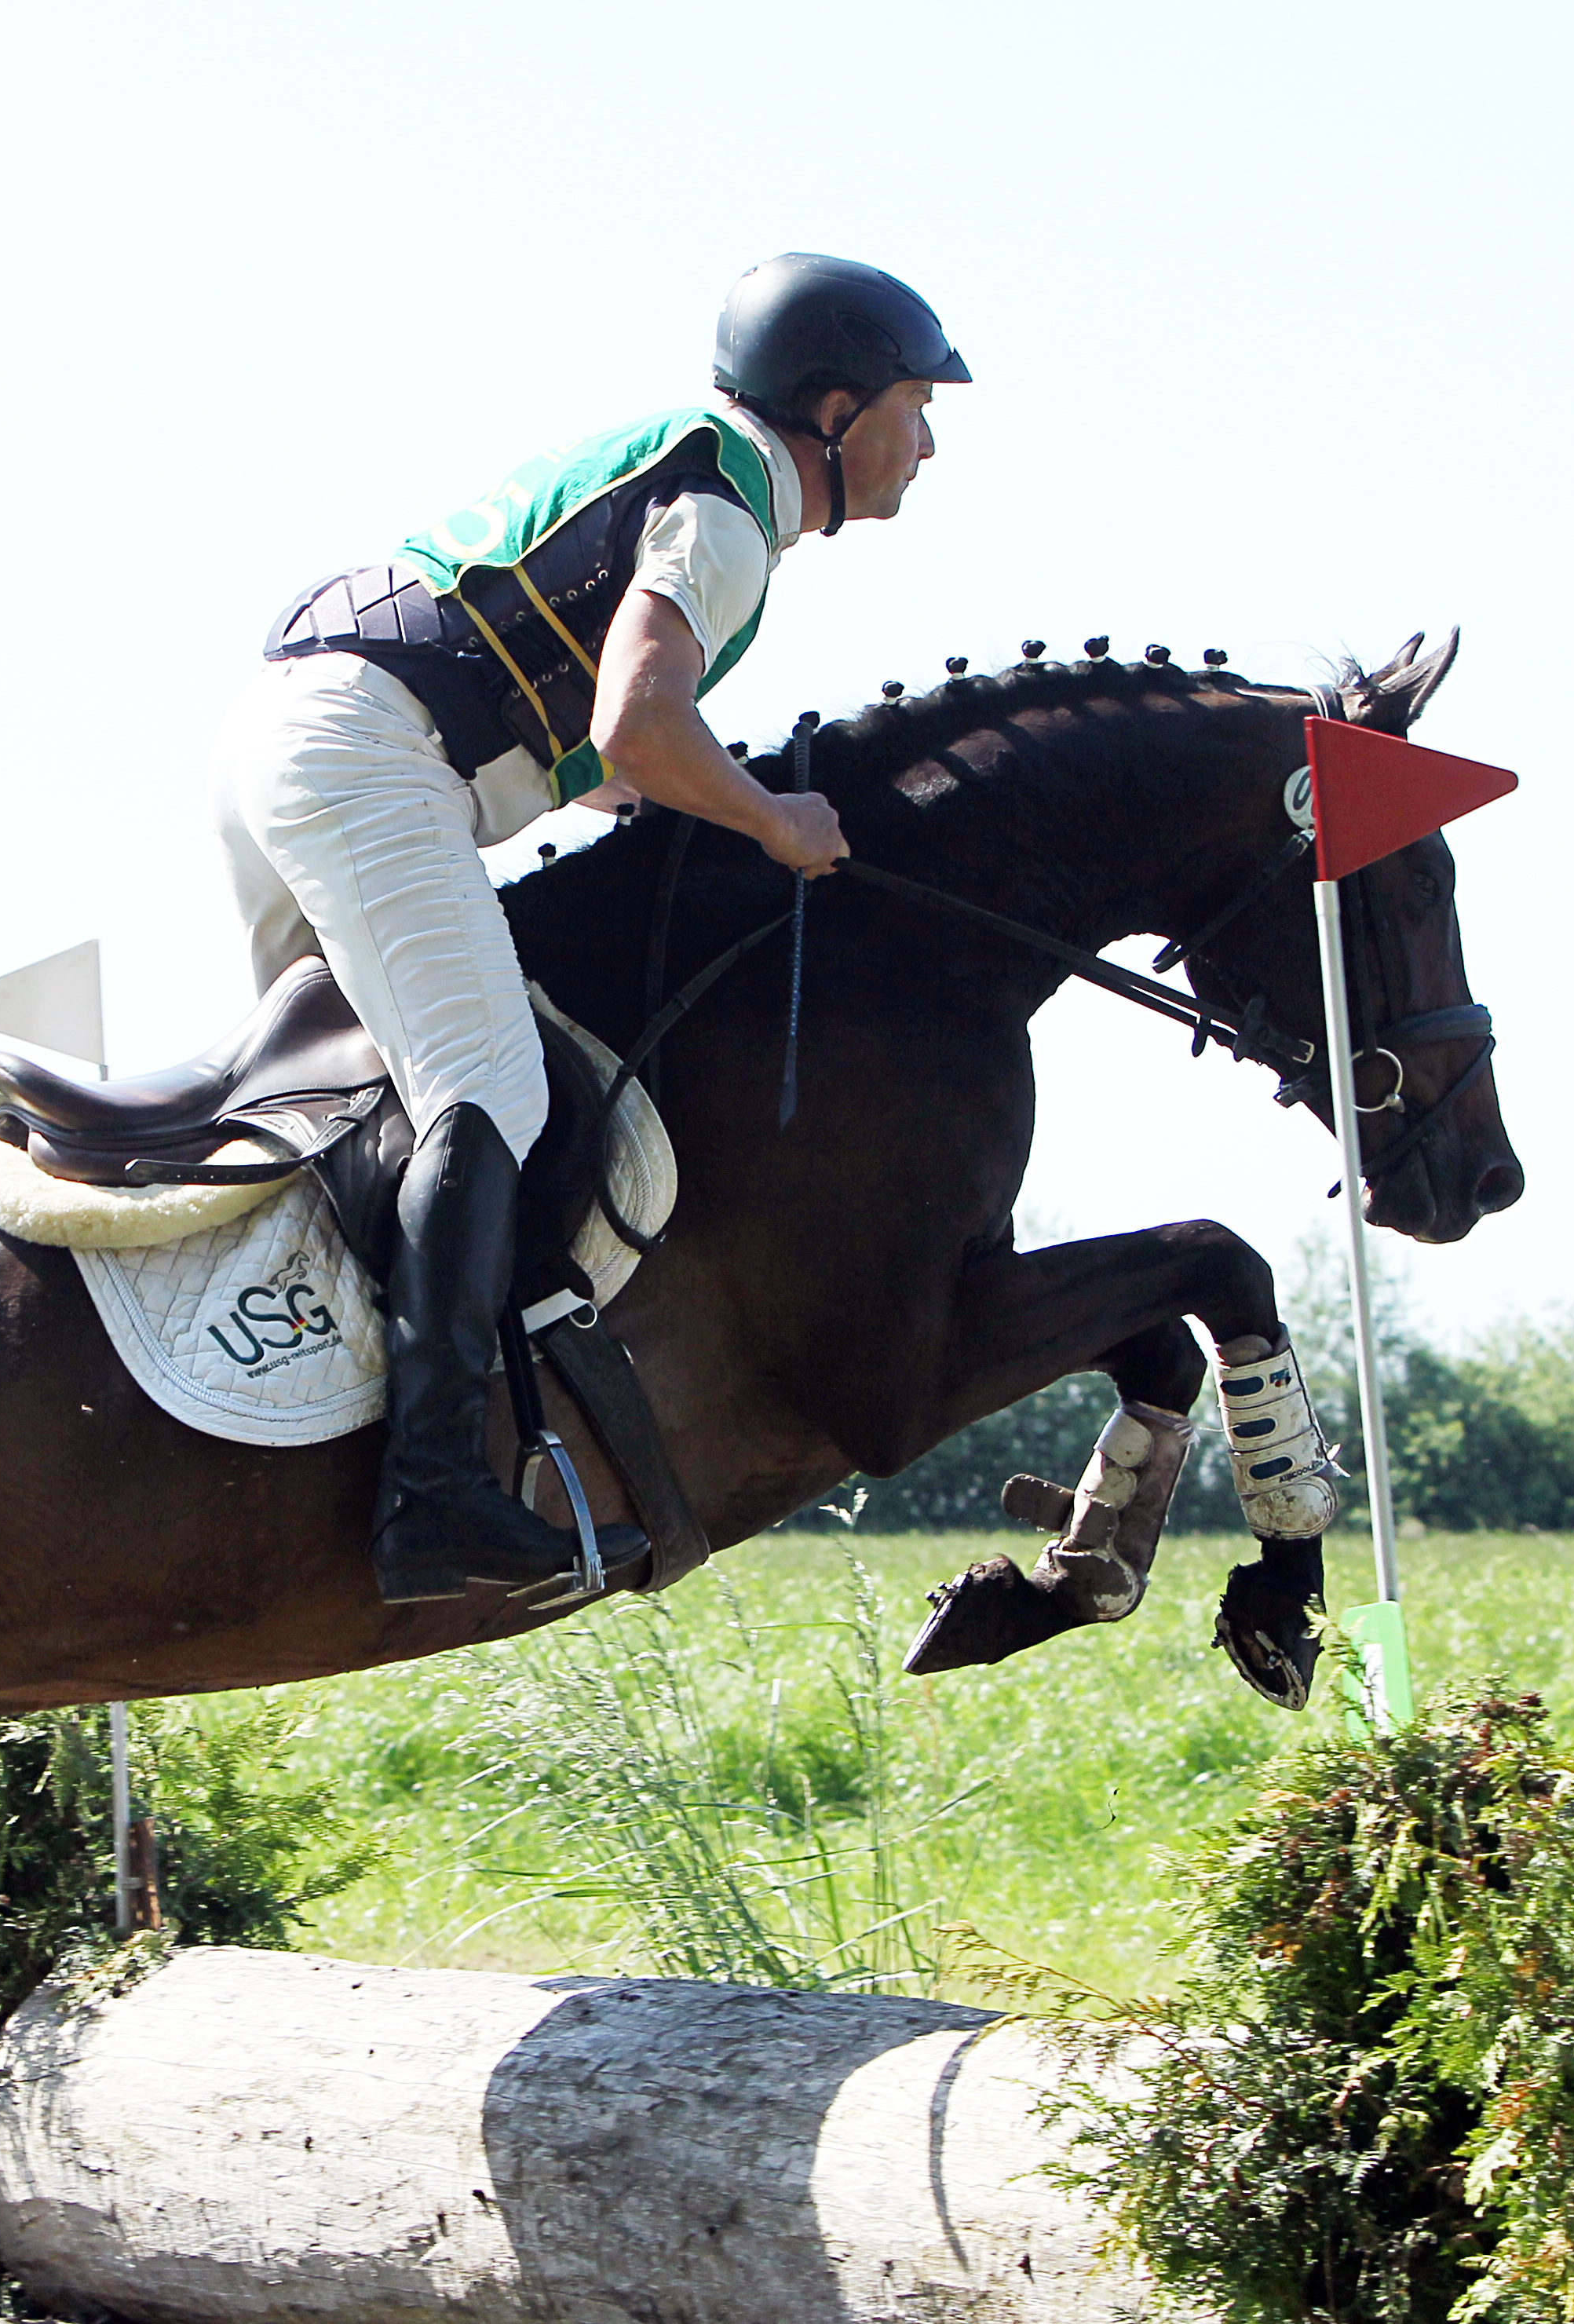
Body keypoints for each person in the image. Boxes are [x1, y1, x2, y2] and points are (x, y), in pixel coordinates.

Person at [214, 253, 968, 1606]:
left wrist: (692, 786)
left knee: (341, 1103)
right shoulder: (731, 511)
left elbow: (596, 746)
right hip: (371, 750)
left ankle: (279, 1415)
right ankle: (432, 1491)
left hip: (303, 729)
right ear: (837, 411)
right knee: (489, 1089)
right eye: (917, 407)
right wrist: (773, 822)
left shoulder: (691, 471)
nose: (930, 444)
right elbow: (637, 724)